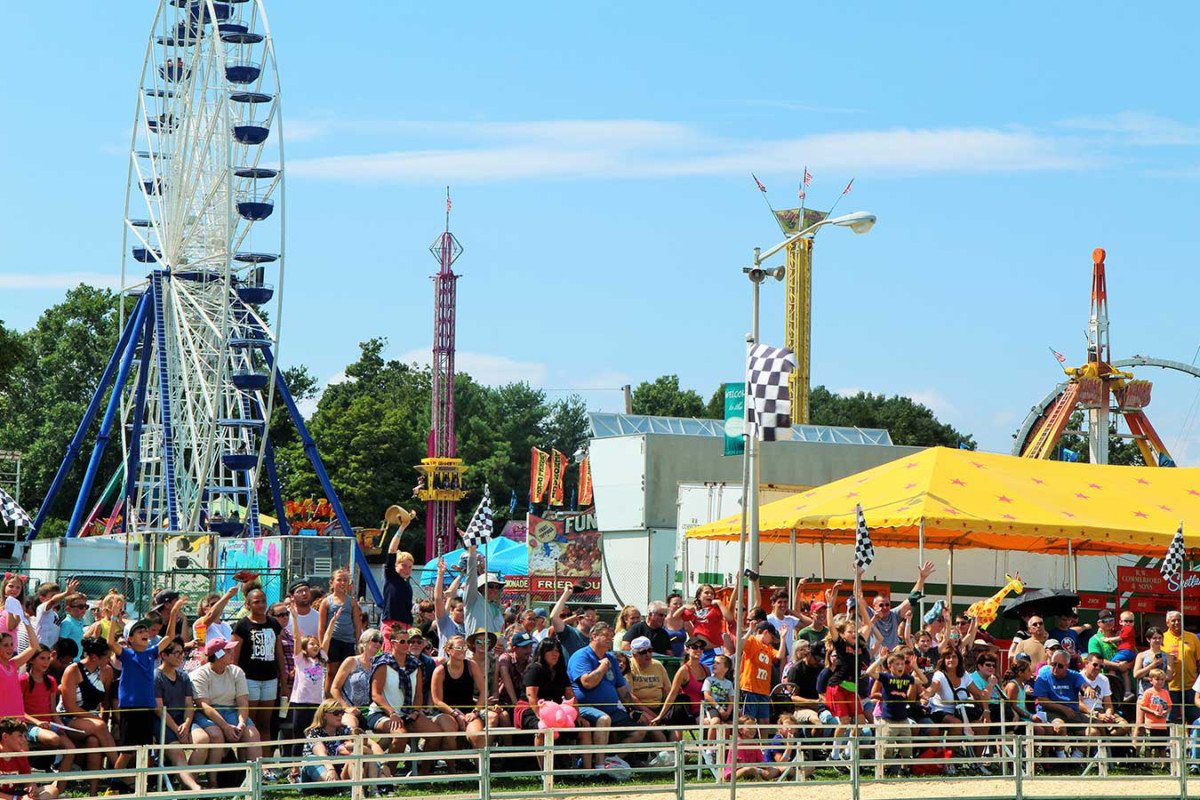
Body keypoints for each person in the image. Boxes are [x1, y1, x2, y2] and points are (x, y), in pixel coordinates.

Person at [191, 637, 263, 780]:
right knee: (216, 735)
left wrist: (241, 723)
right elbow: (204, 705)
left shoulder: (237, 672)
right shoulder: (199, 675)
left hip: (232, 710)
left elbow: (243, 702)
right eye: (228, 651)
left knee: (253, 735)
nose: (232, 653)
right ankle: (213, 781)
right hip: (207, 713)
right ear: (217, 655)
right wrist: (225, 727)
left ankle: (255, 781)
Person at [567, 622, 647, 746]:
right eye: (606, 635)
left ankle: (614, 758)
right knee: (604, 719)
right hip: (585, 708)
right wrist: (603, 666)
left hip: (611, 710)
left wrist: (631, 709)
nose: (611, 638)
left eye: (612, 635)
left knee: (640, 727)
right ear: (594, 636)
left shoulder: (611, 657)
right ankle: (600, 763)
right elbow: (588, 683)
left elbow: (621, 689)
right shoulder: (581, 656)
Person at [231, 587, 287, 754]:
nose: (261, 604)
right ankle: (246, 762)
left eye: (263, 601)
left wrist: (284, 682)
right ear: (248, 604)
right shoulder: (242, 626)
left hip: (270, 679)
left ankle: (266, 764)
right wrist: (236, 684)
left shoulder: (273, 624)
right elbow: (235, 658)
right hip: (249, 680)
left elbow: (279, 654)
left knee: (266, 723)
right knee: (250, 723)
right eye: (257, 602)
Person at [56, 636, 115, 796]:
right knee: (100, 726)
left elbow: (106, 702)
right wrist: (97, 720)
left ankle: (93, 792)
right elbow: (70, 707)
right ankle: (121, 771)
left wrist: (99, 719)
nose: (110, 660)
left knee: (94, 741)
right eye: (107, 657)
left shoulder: (107, 671)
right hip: (67, 720)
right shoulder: (73, 670)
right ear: (95, 657)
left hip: (92, 722)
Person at [19, 644, 76, 789]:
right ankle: (37, 770)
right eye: (42, 658)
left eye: (48, 658)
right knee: (54, 739)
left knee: (71, 748)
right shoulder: (22, 681)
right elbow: (19, 711)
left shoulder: (50, 680)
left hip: (48, 725)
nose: (46, 662)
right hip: (29, 725)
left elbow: (52, 709)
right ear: (31, 660)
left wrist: (60, 726)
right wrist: (37, 722)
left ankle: (59, 788)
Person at [154, 636, 202, 791]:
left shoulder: (184, 677)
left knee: (204, 741)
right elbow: (159, 709)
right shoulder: (156, 677)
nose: (181, 656)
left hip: (183, 721)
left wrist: (186, 725)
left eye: (182, 653)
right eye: (176, 653)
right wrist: (178, 730)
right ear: (164, 655)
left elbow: (189, 705)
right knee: (178, 753)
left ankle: (187, 782)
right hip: (163, 722)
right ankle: (194, 787)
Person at [301, 699, 382, 786]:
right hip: (319, 763)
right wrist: (331, 770)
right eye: (336, 713)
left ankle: (354, 787)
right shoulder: (314, 732)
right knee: (329, 781)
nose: (340, 716)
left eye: (342, 712)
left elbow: (371, 743)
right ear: (324, 715)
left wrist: (383, 764)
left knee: (370, 761)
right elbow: (322, 754)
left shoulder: (344, 729)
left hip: (339, 765)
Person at [289, 599, 337, 746]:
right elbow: (297, 638)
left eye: (317, 644)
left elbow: (327, 638)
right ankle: (295, 767)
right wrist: (295, 619)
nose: (316, 646)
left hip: (316, 702)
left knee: (314, 734)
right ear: (305, 647)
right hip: (300, 701)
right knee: (298, 734)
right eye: (312, 644)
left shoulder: (321, 659)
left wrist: (333, 622)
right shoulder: (301, 659)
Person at [429, 633, 484, 755]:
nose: (463, 651)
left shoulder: (471, 665)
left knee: (478, 736)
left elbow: (484, 691)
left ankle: (481, 771)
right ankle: (452, 769)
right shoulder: (440, 671)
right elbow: (437, 701)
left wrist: (475, 711)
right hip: (446, 711)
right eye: (459, 648)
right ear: (449, 650)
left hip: (468, 711)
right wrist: (455, 714)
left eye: (464, 648)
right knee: (450, 732)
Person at [1032, 650, 1090, 758]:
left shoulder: (1073, 675)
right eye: (1053, 664)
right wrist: (1063, 709)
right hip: (1050, 711)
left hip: (1072, 712)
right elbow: (1042, 700)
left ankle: (1076, 759)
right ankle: (1060, 758)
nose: (1055, 668)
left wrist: (1088, 688)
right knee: (1060, 727)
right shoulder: (1044, 673)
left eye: (1060, 666)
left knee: (1095, 728)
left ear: (1067, 666)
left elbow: (1083, 684)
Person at [329, 629, 384, 733]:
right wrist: (346, 707)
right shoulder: (351, 661)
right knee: (353, 730)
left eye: (381, 641)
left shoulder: (381, 664)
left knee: (392, 732)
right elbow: (334, 688)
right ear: (364, 641)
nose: (378, 643)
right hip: (351, 709)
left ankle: (371, 749)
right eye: (375, 640)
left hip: (373, 710)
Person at [872, 650, 917, 775]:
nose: (901, 666)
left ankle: (905, 769)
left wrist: (915, 668)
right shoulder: (885, 677)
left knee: (907, 747)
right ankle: (885, 769)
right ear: (890, 665)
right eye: (897, 664)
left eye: (903, 663)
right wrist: (880, 659)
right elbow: (873, 690)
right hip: (887, 718)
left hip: (903, 718)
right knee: (886, 747)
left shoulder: (907, 679)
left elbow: (914, 694)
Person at [318, 569, 363, 694]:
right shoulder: (326, 602)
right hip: (333, 640)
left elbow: (357, 624)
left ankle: (342, 699)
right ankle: (328, 701)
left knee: (346, 673)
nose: (342, 583)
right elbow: (321, 626)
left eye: (345, 580)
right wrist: (323, 647)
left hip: (348, 641)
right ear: (332, 582)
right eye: (339, 580)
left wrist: (359, 643)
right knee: (332, 672)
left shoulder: (352, 601)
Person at [653, 638, 709, 732]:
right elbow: (672, 694)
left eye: (701, 647)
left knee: (723, 723)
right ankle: (709, 746)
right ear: (687, 650)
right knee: (711, 723)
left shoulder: (706, 668)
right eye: (695, 647)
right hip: (691, 712)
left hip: (706, 709)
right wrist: (660, 716)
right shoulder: (683, 671)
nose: (698, 650)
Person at [672, 584, 731, 668]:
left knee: (711, 677)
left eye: (712, 593)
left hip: (713, 651)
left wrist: (719, 602)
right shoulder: (695, 610)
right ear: (699, 596)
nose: (710, 595)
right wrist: (684, 607)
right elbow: (675, 617)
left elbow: (729, 618)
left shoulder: (715, 609)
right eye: (706, 593)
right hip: (699, 652)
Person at [0, 716, 58, 800]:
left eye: (24, 736)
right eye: (20, 736)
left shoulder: (21, 755)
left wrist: (31, 788)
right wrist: (17, 798)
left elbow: (28, 780)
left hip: (13, 795)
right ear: (5, 736)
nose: (24, 740)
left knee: (52, 790)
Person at [382, 529, 427, 635]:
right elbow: (392, 550)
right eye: (404, 565)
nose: (407, 569)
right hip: (392, 624)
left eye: (410, 567)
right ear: (396, 565)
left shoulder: (406, 583)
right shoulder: (391, 577)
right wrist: (401, 528)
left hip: (407, 625)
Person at [1080, 652, 1129, 738]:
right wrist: (1097, 714)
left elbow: (1108, 704)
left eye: (1101, 666)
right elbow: (1080, 704)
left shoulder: (1104, 679)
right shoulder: (1078, 678)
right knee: (1098, 726)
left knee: (1124, 726)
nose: (1098, 668)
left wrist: (1108, 714)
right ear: (1087, 663)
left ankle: (1106, 740)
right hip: (1086, 712)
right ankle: (1105, 745)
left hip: (1101, 710)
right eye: (1095, 665)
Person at [1163, 609, 1200, 726]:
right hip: (1170, 687)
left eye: (1179, 620)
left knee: (1194, 720)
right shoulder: (1162, 638)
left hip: (1191, 687)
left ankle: (1193, 744)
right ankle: (1171, 744)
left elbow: (1199, 661)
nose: (1176, 623)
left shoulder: (1192, 637)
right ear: (1167, 623)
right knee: (1171, 721)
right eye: (1173, 621)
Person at [738, 622, 779, 725]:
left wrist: (783, 638)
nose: (772, 641)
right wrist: (749, 631)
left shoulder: (769, 648)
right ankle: (744, 741)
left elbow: (779, 655)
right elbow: (740, 646)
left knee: (764, 720)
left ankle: (763, 742)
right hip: (750, 688)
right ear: (765, 632)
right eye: (772, 638)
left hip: (764, 690)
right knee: (748, 719)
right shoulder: (752, 640)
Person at [463, 544, 504, 635]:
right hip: (474, 647)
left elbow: (498, 632)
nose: (495, 589)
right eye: (490, 586)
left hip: (492, 648)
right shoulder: (473, 599)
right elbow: (471, 576)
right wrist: (472, 551)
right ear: (481, 587)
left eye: (497, 587)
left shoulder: (497, 607)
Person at [725, 715, 779, 781]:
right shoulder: (737, 744)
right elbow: (741, 766)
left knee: (775, 769)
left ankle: (770, 777)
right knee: (750, 769)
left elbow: (761, 761)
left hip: (754, 769)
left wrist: (767, 768)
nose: (753, 730)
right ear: (741, 730)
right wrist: (759, 770)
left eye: (754, 728)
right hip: (735, 772)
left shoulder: (754, 744)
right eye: (749, 728)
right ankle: (763, 780)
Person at [701, 654, 735, 744]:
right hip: (712, 707)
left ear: (726, 669)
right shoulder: (709, 680)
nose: (714, 665)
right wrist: (718, 708)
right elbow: (707, 696)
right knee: (715, 721)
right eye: (713, 663)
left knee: (726, 727)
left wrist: (728, 712)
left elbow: (731, 699)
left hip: (724, 709)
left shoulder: (729, 683)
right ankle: (710, 747)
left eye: (718, 663)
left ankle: (724, 751)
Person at [1137, 668, 1171, 751]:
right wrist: (1153, 712)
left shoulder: (1165, 692)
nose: (1160, 682)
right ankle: (1149, 762)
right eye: (1157, 679)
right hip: (1150, 725)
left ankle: (1162, 763)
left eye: (1162, 679)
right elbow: (1142, 706)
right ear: (1151, 680)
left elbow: (1169, 706)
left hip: (1162, 725)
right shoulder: (1148, 692)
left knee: (1162, 747)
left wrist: (1165, 712)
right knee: (1149, 746)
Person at [1134, 626, 1174, 695]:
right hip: (1144, 693)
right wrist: (1153, 665)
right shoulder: (1141, 655)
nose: (1157, 640)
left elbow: (1169, 677)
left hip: (1162, 693)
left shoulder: (1168, 656)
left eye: (1160, 638)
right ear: (1148, 639)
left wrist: (1148, 679)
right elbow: (1136, 675)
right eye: (1154, 638)